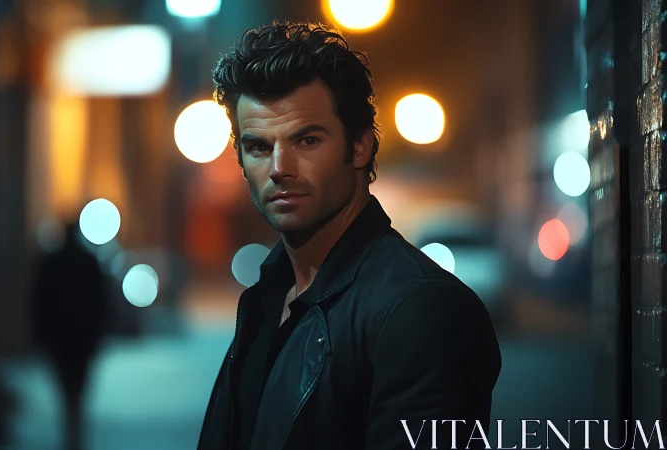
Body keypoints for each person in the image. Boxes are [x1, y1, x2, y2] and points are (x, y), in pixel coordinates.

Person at [197, 22, 502, 450]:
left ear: (360, 145)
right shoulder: (268, 297)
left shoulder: (421, 310)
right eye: (260, 147)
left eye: (306, 140)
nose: (280, 167)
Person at [32, 222, 109, 450]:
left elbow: (39, 302)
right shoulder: (88, 262)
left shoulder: (51, 263)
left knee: (67, 391)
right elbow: (101, 303)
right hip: (82, 340)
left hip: (60, 341)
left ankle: (71, 437)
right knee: (78, 391)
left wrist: (40, 336)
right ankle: (75, 437)